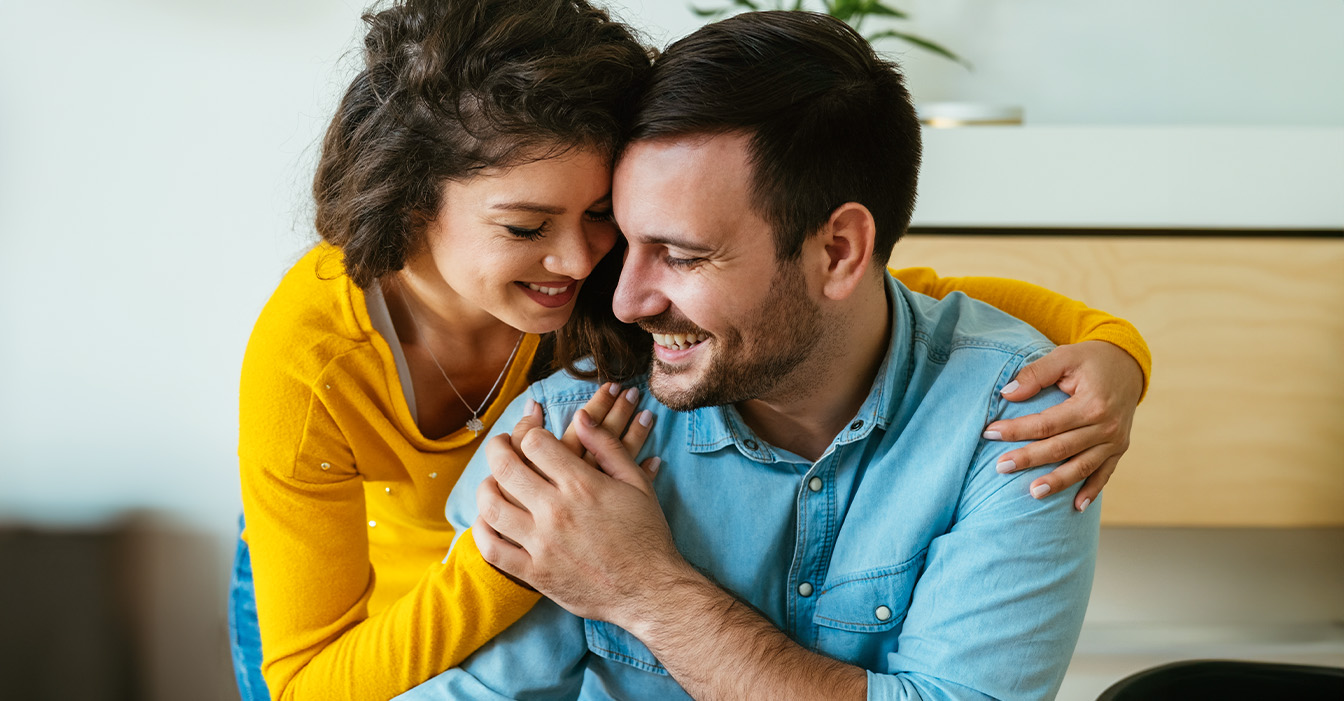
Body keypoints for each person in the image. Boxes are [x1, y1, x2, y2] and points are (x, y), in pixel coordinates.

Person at [232, 2, 1147, 700]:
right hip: (352, 620)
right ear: (413, 209)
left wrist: (1116, 351)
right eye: (528, 226)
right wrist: (530, 550)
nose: (609, 284)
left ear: (840, 251)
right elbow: (330, 678)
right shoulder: (541, 422)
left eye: (662, 244)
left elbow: (934, 297)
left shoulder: (1030, 419)